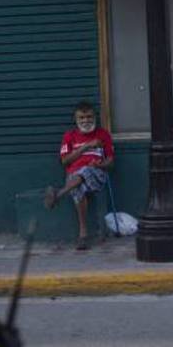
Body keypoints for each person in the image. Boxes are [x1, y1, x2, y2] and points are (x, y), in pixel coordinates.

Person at [44, 101, 114, 250]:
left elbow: (110, 161)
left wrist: (100, 165)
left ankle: (59, 193)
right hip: (73, 175)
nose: (86, 120)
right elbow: (64, 161)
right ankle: (83, 235)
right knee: (78, 187)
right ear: (76, 119)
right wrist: (86, 146)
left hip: (97, 174)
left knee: (86, 170)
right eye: (81, 118)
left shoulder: (103, 135)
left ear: (95, 117)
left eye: (89, 117)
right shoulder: (69, 136)